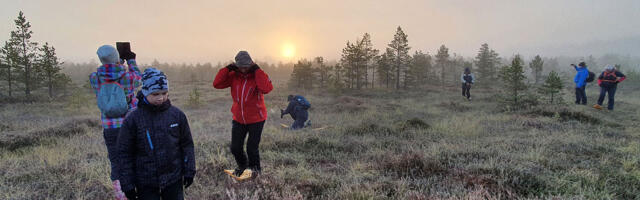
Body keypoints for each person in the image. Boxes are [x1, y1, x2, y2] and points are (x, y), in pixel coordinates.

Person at [118, 68, 196, 200]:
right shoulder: (133, 119)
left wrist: (189, 171)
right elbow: (124, 152)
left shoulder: (177, 115)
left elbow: (187, 145)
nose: (160, 98)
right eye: (155, 94)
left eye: (164, 93)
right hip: (146, 182)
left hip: (173, 179)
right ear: (145, 91)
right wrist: (127, 184)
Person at [89, 44, 141, 199]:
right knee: (135, 156)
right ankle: (138, 188)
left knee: (116, 159)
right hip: (129, 124)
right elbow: (138, 78)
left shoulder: (95, 78)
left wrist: (116, 63)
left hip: (109, 127)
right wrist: (130, 61)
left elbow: (109, 73)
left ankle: (121, 193)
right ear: (117, 58)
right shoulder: (127, 77)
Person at [213, 51, 273, 177]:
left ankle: (256, 171)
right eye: (241, 66)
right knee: (235, 148)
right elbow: (217, 84)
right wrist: (227, 68)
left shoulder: (257, 75)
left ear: (251, 64)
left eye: (247, 66)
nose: (244, 69)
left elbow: (266, 89)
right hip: (239, 119)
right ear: (236, 65)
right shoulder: (234, 75)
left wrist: (257, 70)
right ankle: (243, 166)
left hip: (257, 118)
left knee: (252, 148)